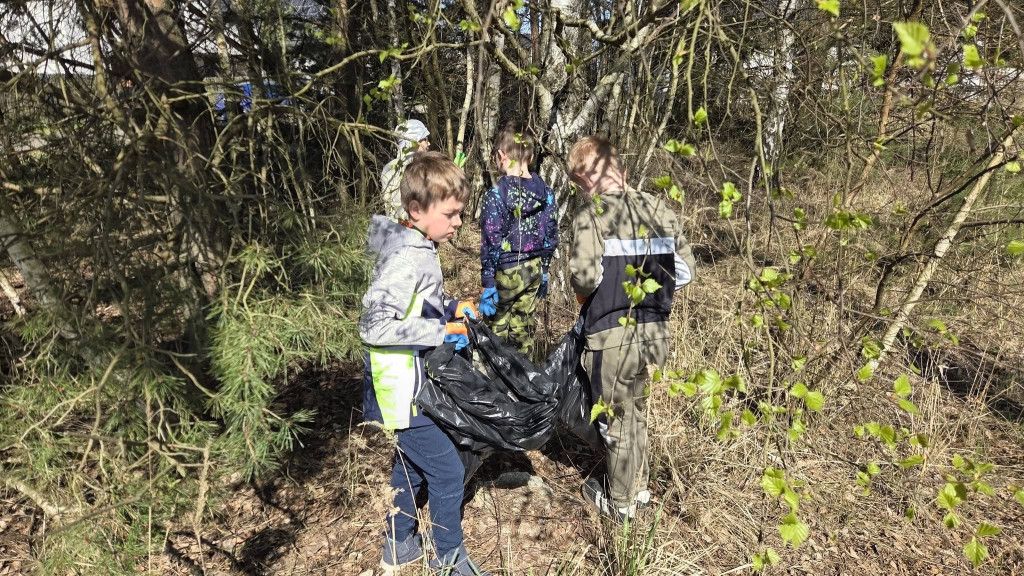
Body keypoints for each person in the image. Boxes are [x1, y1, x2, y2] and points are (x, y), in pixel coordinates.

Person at [360, 151, 490, 575]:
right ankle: (450, 563)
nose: (458, 223)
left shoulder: (419, 245)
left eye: (461, 214)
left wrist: (454, 307)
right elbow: (375, 326)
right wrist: (443, 332)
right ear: (417, 210)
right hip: (400, 391)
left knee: (413, 465)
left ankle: (399, 546)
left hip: (410, 386)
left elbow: (418, 307)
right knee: (449, 472)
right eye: (451, 214)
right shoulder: (406, 256)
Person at [567, 135, 696, 522]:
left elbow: (585, 278)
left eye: (579, 183)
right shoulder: (659, 207)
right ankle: (637, 488)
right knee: (637, 411)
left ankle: (620, 506)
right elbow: (686, 271)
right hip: (655, 333)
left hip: (612, 336)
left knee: (617, 419)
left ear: (589, 175)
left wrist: (600, 285)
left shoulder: (591, 216)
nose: (582, 192)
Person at [478, 122, 558, 358]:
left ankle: (495, 381)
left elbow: (491, 239)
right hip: (533, 269)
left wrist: (488, 279)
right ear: (531, 156)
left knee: (496, 328)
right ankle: (523, 381)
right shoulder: (547, 193)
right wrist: (544, 268)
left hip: (506, 269)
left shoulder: (496, 194)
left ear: (501, 155)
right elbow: (551, 233)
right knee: (523, 328)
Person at [380, 119, 430, 219]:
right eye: (425, 139)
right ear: (414, 141)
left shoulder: (390, 167)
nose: (428, 144)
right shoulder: (396, 169)